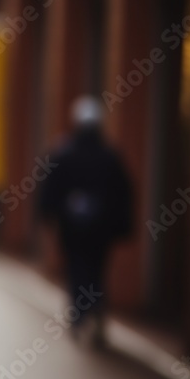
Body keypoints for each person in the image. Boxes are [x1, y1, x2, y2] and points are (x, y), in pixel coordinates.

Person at [39, 96, 133, 347]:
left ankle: (81, 317)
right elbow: (123, 193)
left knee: (76, 269)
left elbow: (50, 189)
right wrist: (120, 225)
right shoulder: (109, 156)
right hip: (100, 231)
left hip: (73, 229)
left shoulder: (64, 152)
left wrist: (48, 215)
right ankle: (96, 311)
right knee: (96, 270)